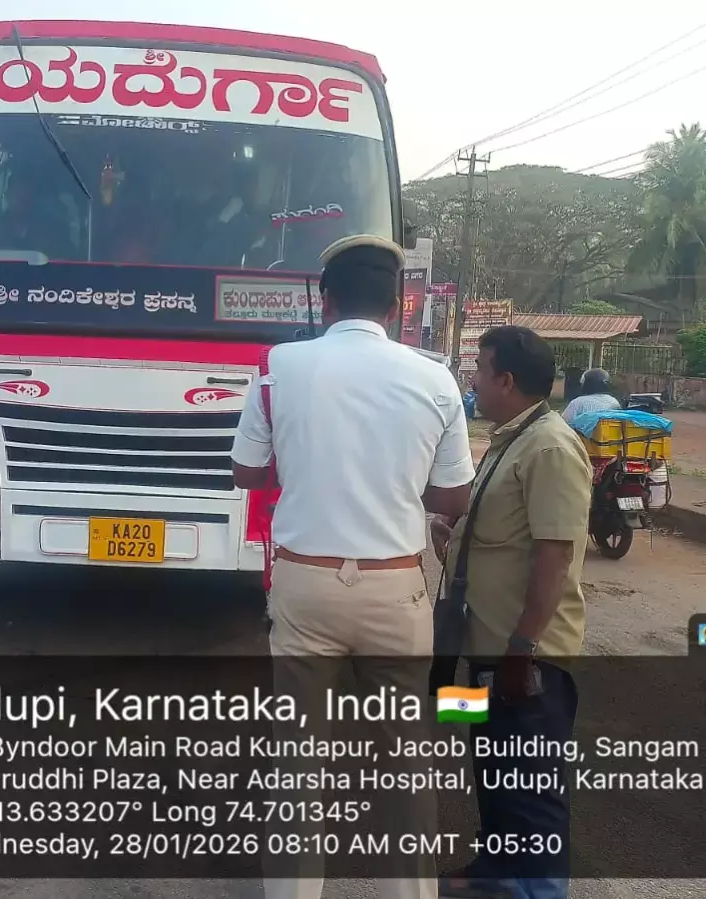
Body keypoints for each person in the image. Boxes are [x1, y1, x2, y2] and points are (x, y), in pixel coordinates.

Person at [230, 234, 475, 899]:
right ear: (395, 307)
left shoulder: (279, 366)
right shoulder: (435, 378)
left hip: (305, 586)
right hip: (395, 590)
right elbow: (453, 497)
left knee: (298, 764)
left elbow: (246, 471)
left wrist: (304, 464)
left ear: (325, 300)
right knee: (405, 766)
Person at [431, 326, 593, 899]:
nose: (472, 380)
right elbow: (503, 540)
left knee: (533, 786)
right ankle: (496, 871)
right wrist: (451, 539)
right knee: (495, 772)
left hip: (524, 657)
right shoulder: (511, 440)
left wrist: (524, 648)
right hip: (486, 648)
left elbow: (555, 554)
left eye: (479, 370)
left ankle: (540, 890)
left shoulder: (550, 447)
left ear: (505, 380)